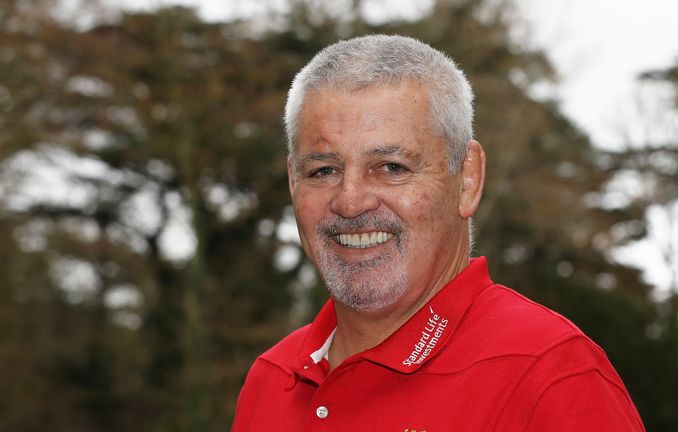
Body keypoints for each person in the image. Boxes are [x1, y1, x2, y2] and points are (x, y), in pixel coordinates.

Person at [231, 34, 645, 432]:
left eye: (392, 167)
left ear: (467, 179)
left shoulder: (549, 373)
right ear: (292, 182)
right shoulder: (271, 378)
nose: (350, 201)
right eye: (323, 171)